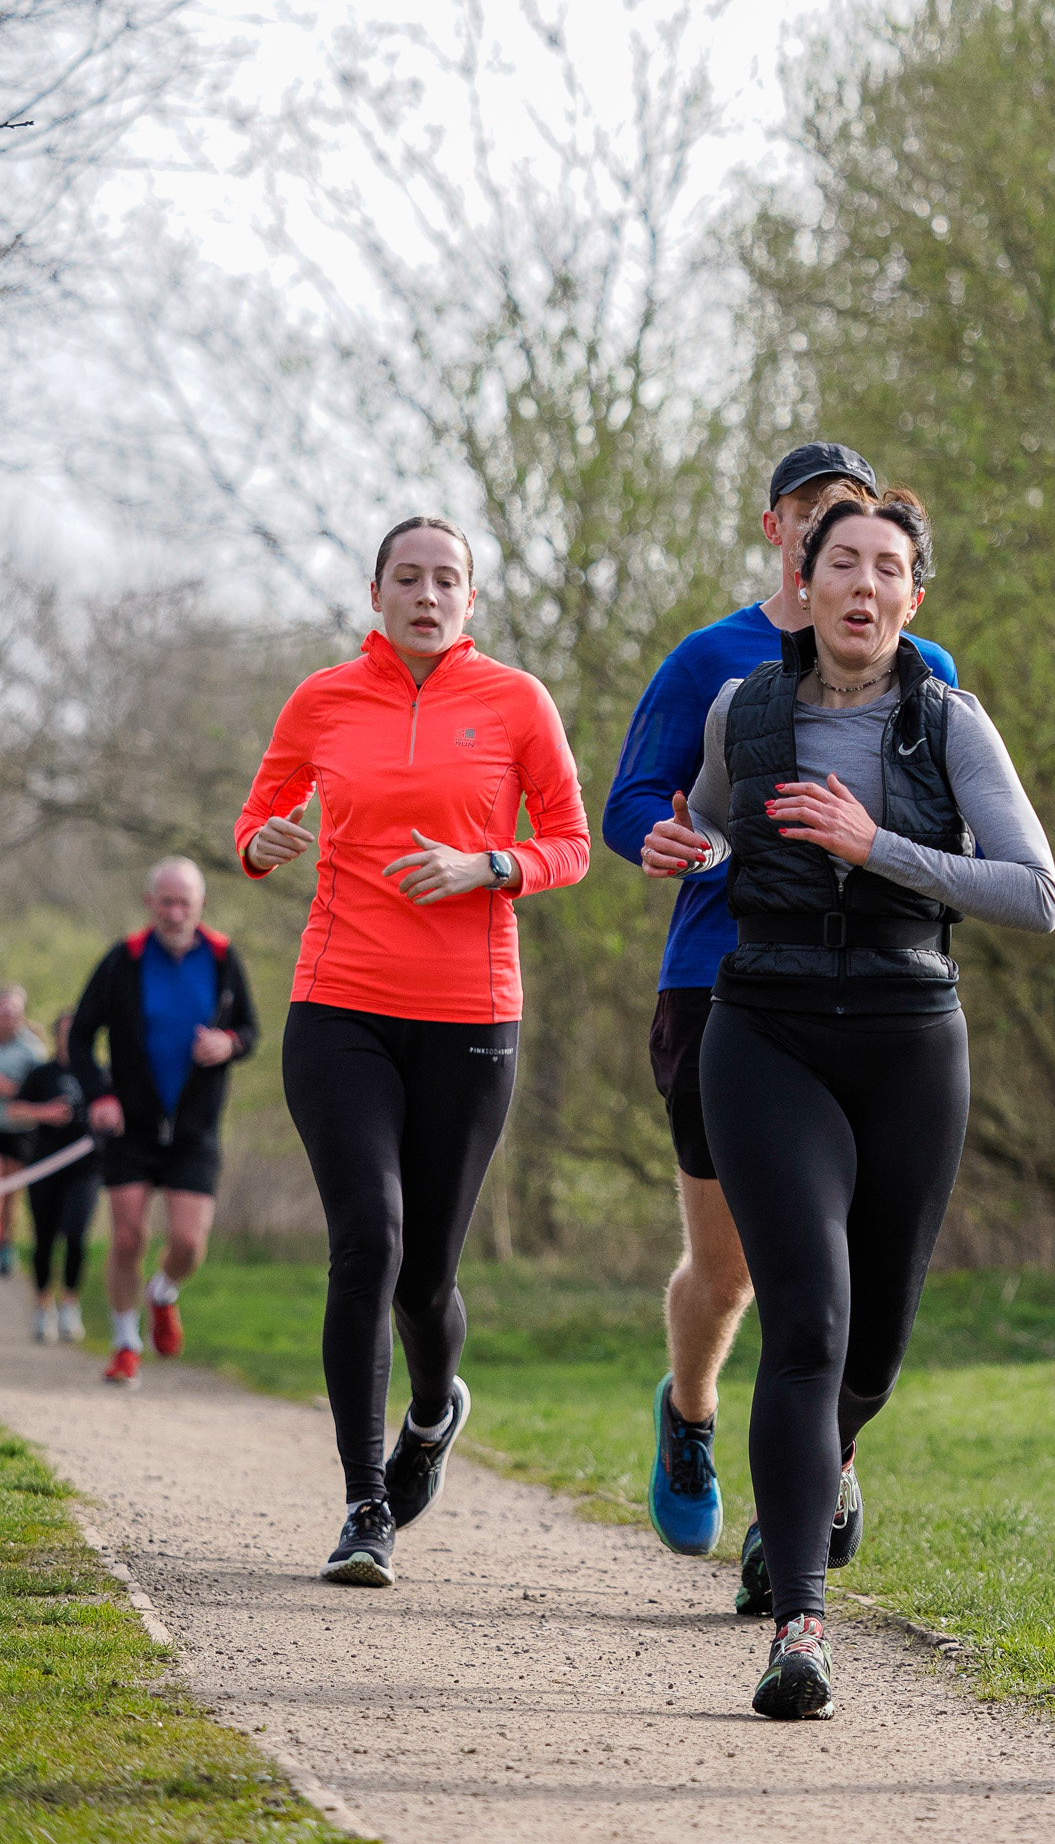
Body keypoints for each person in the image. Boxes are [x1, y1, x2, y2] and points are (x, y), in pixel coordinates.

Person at [645, 487, 1055, 1719]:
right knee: (808, 1328)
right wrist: (688, 849)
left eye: (889, 569)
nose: (864, 587)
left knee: (871, 1345)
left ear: (912, 599)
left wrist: (872, 844)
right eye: (844, 563)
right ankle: (800, 1625)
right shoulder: (742, 706)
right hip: (763, 1030)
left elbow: (1034, 892)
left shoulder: (951, 723)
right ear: (805, 577)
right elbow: (711, 821)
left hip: (908, 1034)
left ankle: (815, 1478)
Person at [604, 442, 958, 1605]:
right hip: (725, 983)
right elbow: (636, 802)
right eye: (820, 525)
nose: (845, 555)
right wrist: (661, 837)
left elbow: (963, 834)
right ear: (782, 535)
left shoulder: (925, 669)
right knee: (734, 1269)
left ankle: (804, 1495)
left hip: (880, 1002)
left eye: (867, 537)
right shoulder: (712, 663)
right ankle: (692, 1410)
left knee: (839, 1287)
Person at [236, 515, 590, 1589]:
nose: (427, 594)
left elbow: (571, 841)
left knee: (426, 1273)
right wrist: (263, 842)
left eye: (447, 579)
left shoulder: (518, 701)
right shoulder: (323, 698)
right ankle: (364, 1502)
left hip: (471, 1017)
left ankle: (434, 1411)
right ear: (376, 592)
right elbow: (255, 823)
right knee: (368, 1243)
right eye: (408, 577)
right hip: (339, 1004)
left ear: (470, 600)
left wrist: (491, 862)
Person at [71, 858, 259, 1387]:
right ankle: (125, 1342)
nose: (176, 912)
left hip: (195, 1129)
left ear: (200, 905)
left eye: (186, 903)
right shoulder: (124, 960)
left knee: (188, 1243)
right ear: (150, 902)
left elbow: (250, 1029)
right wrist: (100, 1095)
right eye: (167, 902)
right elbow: (81, 1037)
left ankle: (163, 1293)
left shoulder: (222, 958)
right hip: (130, 1123)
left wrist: (230, 1043)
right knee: (128, 1236)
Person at [9, 1009, 100, 1344]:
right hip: (43, 1165)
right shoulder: (41, 1073)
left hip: (85, 1169)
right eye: (66, 1031)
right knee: (44, 1239)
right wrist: (44, 1113)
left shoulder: (100, 1076)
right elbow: (14, 1110)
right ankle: (42, 1306)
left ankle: (69, 1304)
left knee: (76, 1235)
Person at [0, 985, 47, 1277]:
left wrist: (11, 1089)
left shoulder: (32, 1050)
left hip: (19, 1131)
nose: (8, 1017)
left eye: (12, 1012)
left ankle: (6, 1243)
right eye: (4, 1011)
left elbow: (42, 1090)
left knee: (10, 1193)